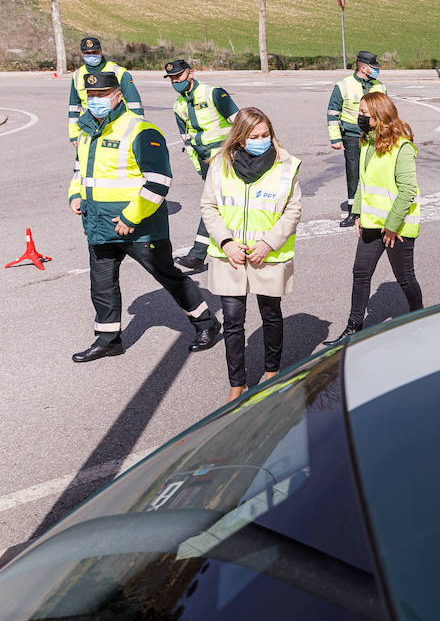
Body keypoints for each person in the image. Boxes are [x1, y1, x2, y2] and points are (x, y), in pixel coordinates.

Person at [67, 70, 220, 362]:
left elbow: (158, 181)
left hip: (140, 227)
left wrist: (131, 217)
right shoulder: (87, 130)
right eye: (91, 96)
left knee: (168, 276)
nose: (96, 101)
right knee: (102, 284)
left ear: (118, 95)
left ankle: (207, 324)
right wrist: (75, 195)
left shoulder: (140, 130)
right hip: (99, 224)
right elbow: (80, 171)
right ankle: (108, 339)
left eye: (102, 95)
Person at [200, 107, 302, 402]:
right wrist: (226, 243)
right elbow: (209, 206)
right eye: (254, 136)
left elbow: (292, 210)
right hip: (229, 256)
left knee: (270, 315)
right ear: (240, 139)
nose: (261, 140)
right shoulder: (219, 163)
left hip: (266, 256)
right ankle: (238, 383)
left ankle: (272, 373)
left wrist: (268, 243)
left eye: (265, 134)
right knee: (232, 320)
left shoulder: (286, 165)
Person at [326, 92, 422, 345]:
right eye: (360, 113)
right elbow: (364, 182)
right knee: (360, 272)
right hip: (371, 223)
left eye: (364, 114)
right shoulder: (367, 142)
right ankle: (354, 326)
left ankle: (420, 318)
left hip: (396, 226)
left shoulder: (402, 147)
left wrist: (391, 226)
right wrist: (357, 212)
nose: (360, 118)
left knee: (405, 277)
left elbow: (408, 191)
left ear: (380, 116)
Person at [164, 59, 240, 271]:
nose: (175, 81)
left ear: (191, 73)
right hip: (207, 162)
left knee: (213, 204)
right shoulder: (178, 106)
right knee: (220, 204)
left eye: (178, 76)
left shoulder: (213, 93)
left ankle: (198, 254)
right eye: (172, 78)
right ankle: (206, 251)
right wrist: (199, 167)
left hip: (227, 157)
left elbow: (241, 123)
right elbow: (187, 140)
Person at [327, 50, 387, 228]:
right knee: (353, 174)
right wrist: (335, 139)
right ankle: (354, 213)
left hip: (376, 137)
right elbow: (332, 113)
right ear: (363, 67)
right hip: (353, 137)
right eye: (373, 67)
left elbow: (387, 112)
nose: (376, 71)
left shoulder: (380, 86)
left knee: (376, 172)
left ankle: (375, 208)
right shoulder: (343, 85)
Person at [68, 36, 143, 146]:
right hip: (89, 128)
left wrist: (138, 132)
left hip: (116, 128)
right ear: (82, 54)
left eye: (95, 52)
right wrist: (74, 134)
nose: (91, 55)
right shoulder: (77, 75)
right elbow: (74, 107)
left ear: (101, 52)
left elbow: (134, 105)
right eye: (87, 53)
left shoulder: (119, 72)